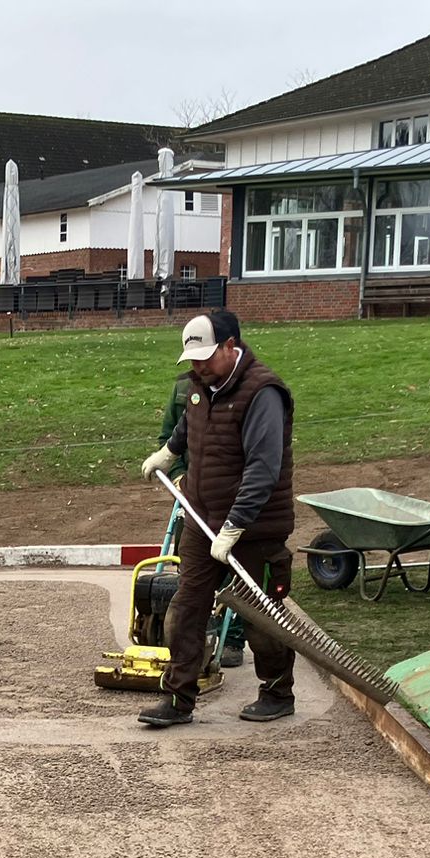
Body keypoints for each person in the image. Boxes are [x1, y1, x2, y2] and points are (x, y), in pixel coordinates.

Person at [135, 310, 296, 727]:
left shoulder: (263, 393)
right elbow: (191, 425)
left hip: (255, 526)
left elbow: (264, 467)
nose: (198, 366)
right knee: (186, 608)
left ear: (230, 346)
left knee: (260, 615)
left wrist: (235, 524)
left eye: (206, 357)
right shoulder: (199, 385)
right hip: (202, 519)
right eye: (192, 359)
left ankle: (277, 693)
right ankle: (178, 698)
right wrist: (169, 452)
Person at [157, 369, 245, 669]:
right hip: (191, 496)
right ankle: (193, 639)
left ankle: (233, 638)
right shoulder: (184, 387)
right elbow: (168, 438)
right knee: (190, 567)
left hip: (230, 496)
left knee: (232, 567)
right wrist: (178, 477)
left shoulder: (247, 389)